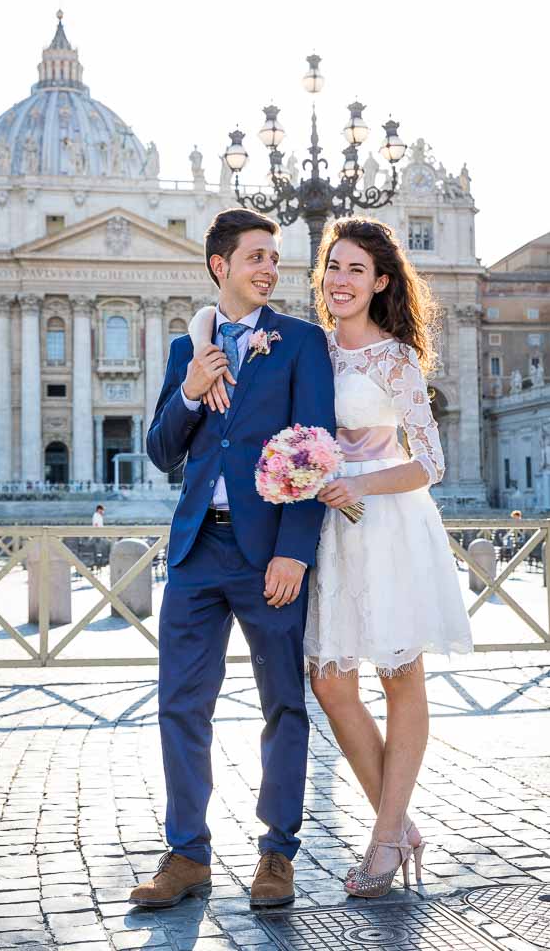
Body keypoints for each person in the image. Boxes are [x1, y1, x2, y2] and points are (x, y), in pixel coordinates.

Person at [129, 208, 335, 910]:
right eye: (255, 257)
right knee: (181, 705)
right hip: (194, 550)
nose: (268, 269)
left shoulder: (301, 344)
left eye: (273, 258)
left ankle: (276, 852)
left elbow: (313, 450)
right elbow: (162, 451)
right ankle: (187, 855)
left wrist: (293, 553)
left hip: (266, 555)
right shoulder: (189, 346)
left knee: (282, 703)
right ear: (221, 265)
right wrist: (188, 392)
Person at [305, 216, 473, 898]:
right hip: (327, 531)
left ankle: (383, 838)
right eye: (332, 268)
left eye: (355, 271)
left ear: (379, 282)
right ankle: (398, 824)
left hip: (388, 524)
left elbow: (427, 463)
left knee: (399, 679)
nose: (340, 281)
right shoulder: (306, 348)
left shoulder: (394, 358)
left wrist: (359, 482)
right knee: (329, 682)